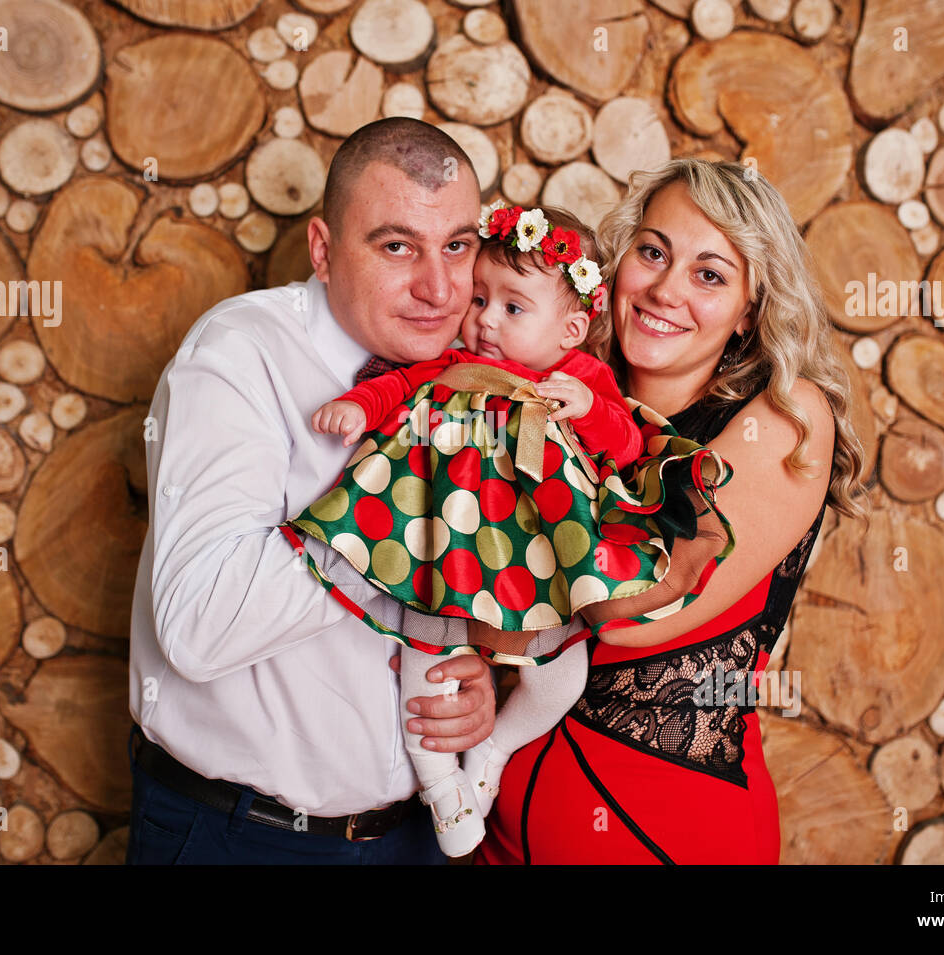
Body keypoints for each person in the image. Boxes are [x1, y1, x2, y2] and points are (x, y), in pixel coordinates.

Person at [287, 204, 735, 856]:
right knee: (428, 660)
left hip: (537, 562)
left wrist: (590, 411)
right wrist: (356, 406)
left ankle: (493, 752)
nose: (486, 320)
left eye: (514, 308)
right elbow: (396, 387)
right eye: (479, 300)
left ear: (572, 328)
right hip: (440, 546)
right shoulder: (451, 362)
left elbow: (628, 443)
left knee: (561, 675)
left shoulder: (579, 377)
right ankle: (440, 783)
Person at [126, 118, 500, 864]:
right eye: (398, 246)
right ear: (323, 251)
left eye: (456, 246)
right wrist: (395, 502)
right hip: (243, 836)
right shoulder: (238, 355)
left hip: (417, 837)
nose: (438, 287)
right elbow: (201, 627)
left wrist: (479, 678)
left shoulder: (474, 373)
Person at [477, 158, 869, 865]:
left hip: (660, 829)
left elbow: (625, 614)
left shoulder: (784, 418)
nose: (665, 289)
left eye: (710, 274)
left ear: (751, 308)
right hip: (499, 822)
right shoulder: (566, 391)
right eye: (653, 252)